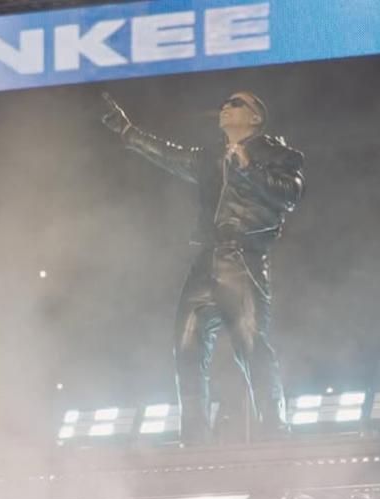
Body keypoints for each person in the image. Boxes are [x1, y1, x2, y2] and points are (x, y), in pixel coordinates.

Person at [100, 91, 304, 443]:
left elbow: (290, 194)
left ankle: (275, 430)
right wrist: (128, 132)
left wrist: (249, 170)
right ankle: (194, 437)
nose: (226, 106)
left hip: (243, 260)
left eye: (237, 103)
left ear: (255, 117)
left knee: (250, 345)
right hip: (205, 261)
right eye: (225, 102)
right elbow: (170, 155)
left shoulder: (278, 154)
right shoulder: (210, 155)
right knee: (186, 348)